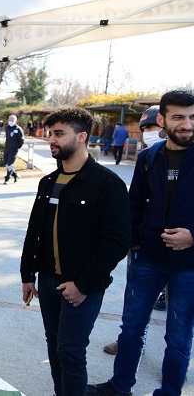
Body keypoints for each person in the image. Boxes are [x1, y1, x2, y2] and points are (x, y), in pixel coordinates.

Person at [87, 90, 194, 396]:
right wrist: (134, 240)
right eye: (179, 117)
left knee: (178, 336)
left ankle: (170, 392)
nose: (187, 124)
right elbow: (133, 205)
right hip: (146, 259)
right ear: (162, 119)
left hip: (189, 264)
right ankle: (120, 387)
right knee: (132, 329)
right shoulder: (149, 157)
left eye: (192, 117)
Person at [20, 107, 130, 396]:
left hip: (83, 284)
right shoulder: (48, 182)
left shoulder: (107, 184)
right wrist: (27, 275)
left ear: (81, 136)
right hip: (48, 280)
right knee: (55, 345)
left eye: (59, 134)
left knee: (70, 350)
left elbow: (117, 243)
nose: (51, 139)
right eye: (50, 133)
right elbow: (35, 232)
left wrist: (83, 285)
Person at [102, 105, 166, 357]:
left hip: (182, 248)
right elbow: (136, 200)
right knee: (136, 303)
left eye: (152, 127)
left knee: (180, 313)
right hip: (145, 244)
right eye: (145, 129)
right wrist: (132, 235)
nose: (148, 133)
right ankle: (127, 341)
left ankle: (176, 359)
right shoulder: (147, 157)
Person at [3, 114, 24, 184]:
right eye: (10, 120)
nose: (11, 121)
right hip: (7, 148)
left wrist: (17, 147)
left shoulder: (18, 129)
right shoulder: (7, 128)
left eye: (12, 120)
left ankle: (7, 178)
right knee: (6, 163)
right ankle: (15, 175)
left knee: (10, 164)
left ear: (16, 121)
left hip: (14, 149)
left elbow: (21, 140)